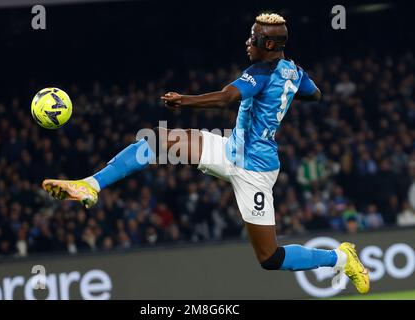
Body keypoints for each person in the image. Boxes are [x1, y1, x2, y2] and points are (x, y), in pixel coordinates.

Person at [42, 13, 369, 293]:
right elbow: (316, 95)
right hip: (229, 149)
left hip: (255, 171)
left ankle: (341, 257)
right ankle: (91, 185)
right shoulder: (293, 72)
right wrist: (285, 93)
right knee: (158, 141)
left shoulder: (260, 73)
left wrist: (184, 101)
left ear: (268, 45)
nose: (247, 42)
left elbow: (227, 98)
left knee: (270, 258)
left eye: (252, 38)